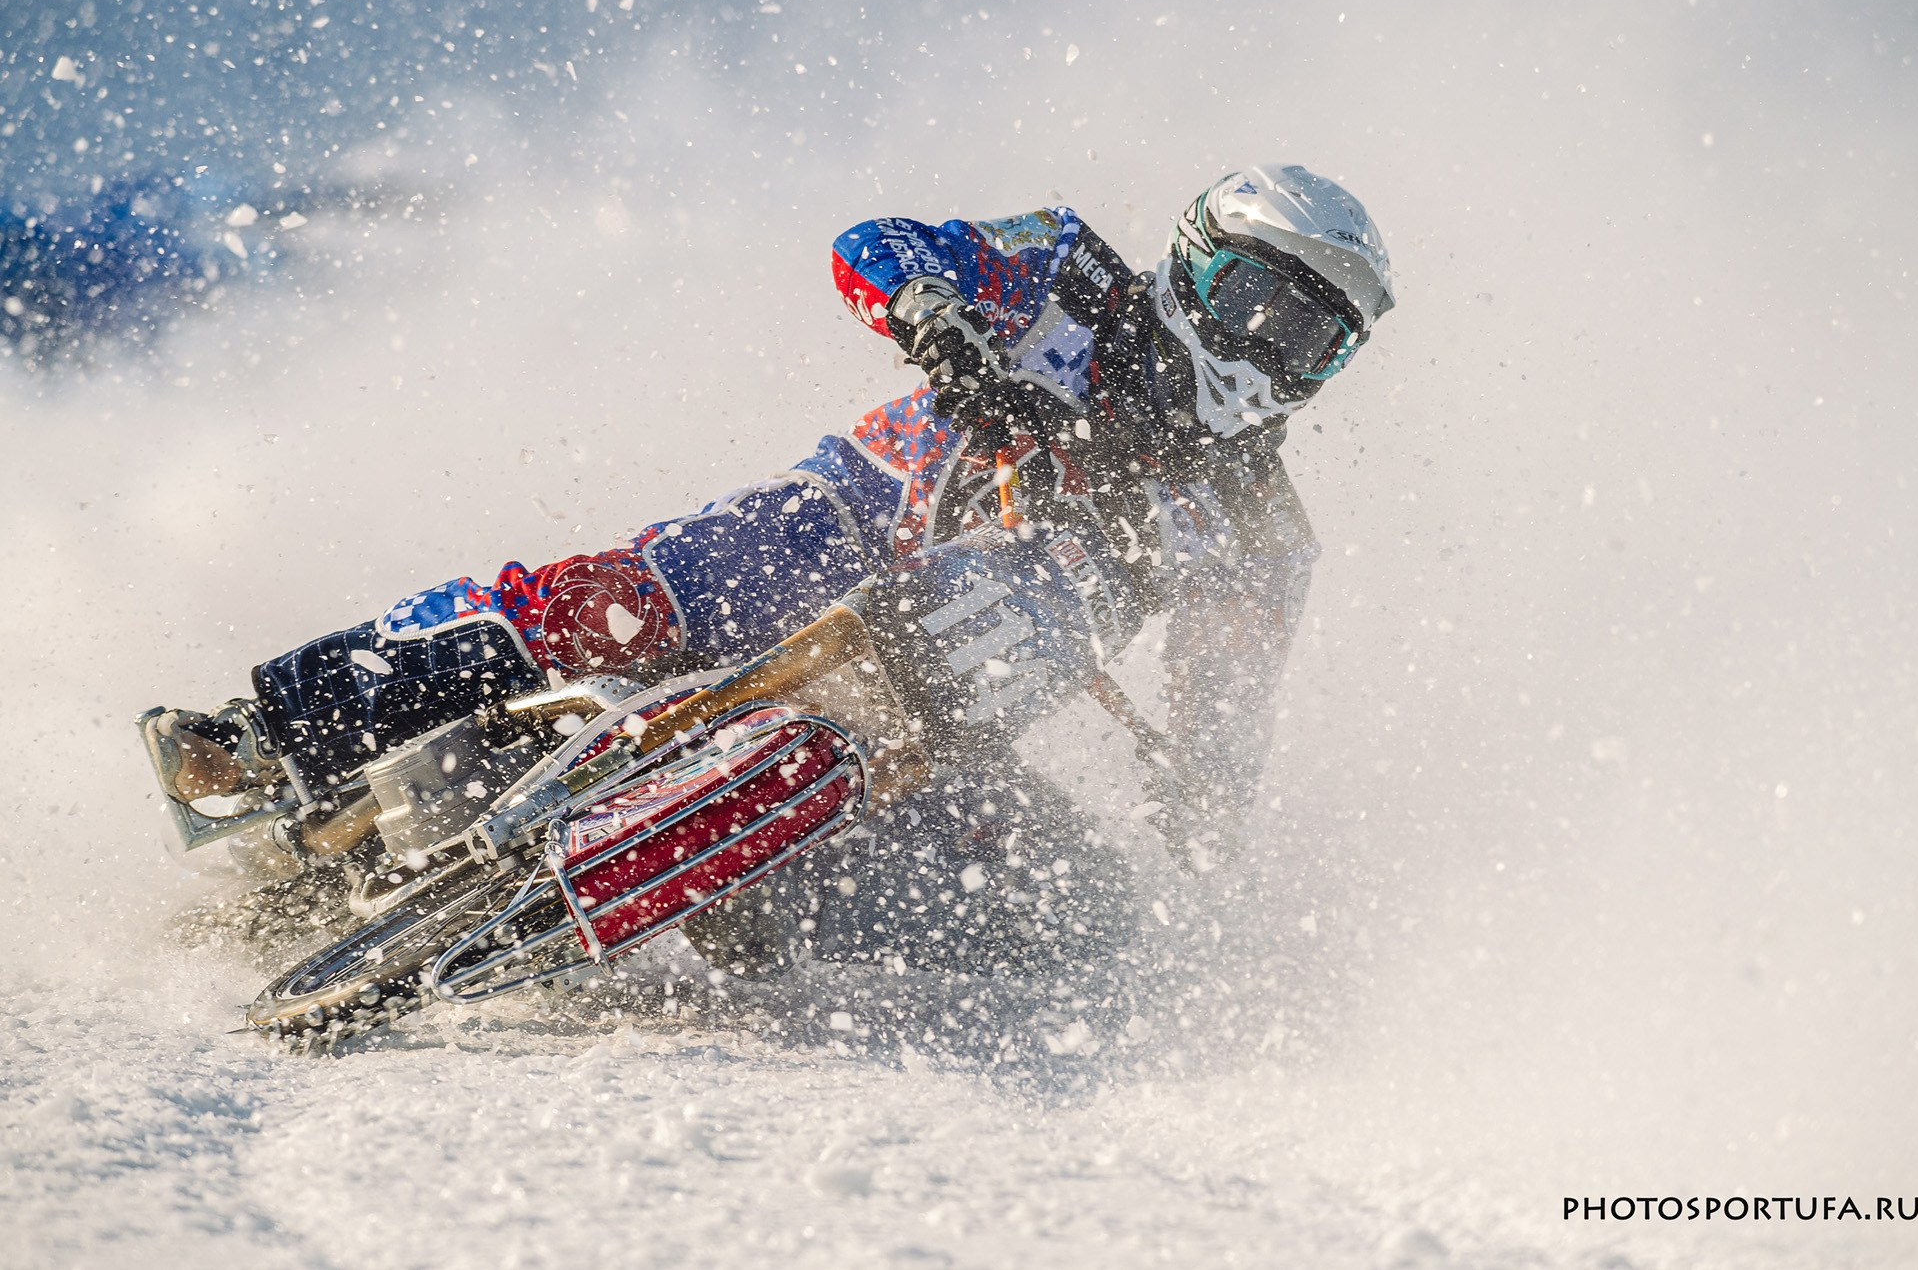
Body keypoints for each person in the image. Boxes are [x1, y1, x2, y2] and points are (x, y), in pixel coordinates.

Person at [142, 163, 1394, 984]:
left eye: (1311, 340)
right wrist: (939, 321)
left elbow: (1230, 694)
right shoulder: (1069, 273)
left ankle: (740, 872)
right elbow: (880, 241)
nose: (1266, 352)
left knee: (1077, 917)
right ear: (1191, 266)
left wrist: (1206, 791)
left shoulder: (1260, 530)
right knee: (619, 600)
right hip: (844, 518)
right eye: (1253, 304)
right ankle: (270, 736)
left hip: (974, 671)